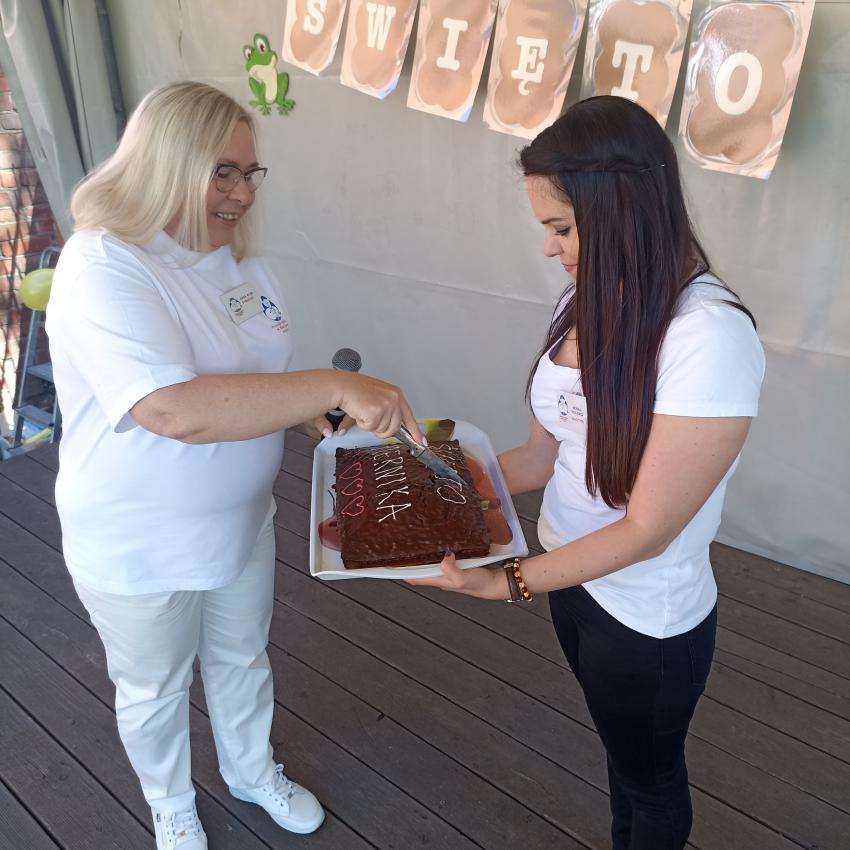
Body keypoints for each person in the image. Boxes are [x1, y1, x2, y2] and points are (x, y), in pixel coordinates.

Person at [45, 81, 421, 850]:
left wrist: (316, 411)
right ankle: (170, 804)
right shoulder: (103, 264)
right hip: (139, 543)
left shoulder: (239, 265)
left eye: (250, 173)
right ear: (166, 162)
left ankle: (250, 772)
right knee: (153, 687)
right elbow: (171, 409)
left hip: (243, 522)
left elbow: (259, 381)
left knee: (242, 657)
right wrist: (333, 385)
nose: (243, 194)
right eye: (222, 172)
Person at [410, 96, 765, 850]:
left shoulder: (708, 336)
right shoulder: (585, 299)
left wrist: (503, 582)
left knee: (651, 781)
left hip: (643, 616)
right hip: (569, 579)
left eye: (563, 228)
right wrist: (430, 480)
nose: (549, 248)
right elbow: (543, 456)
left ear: (625, 209)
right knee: (621, 759)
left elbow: (646, 529)